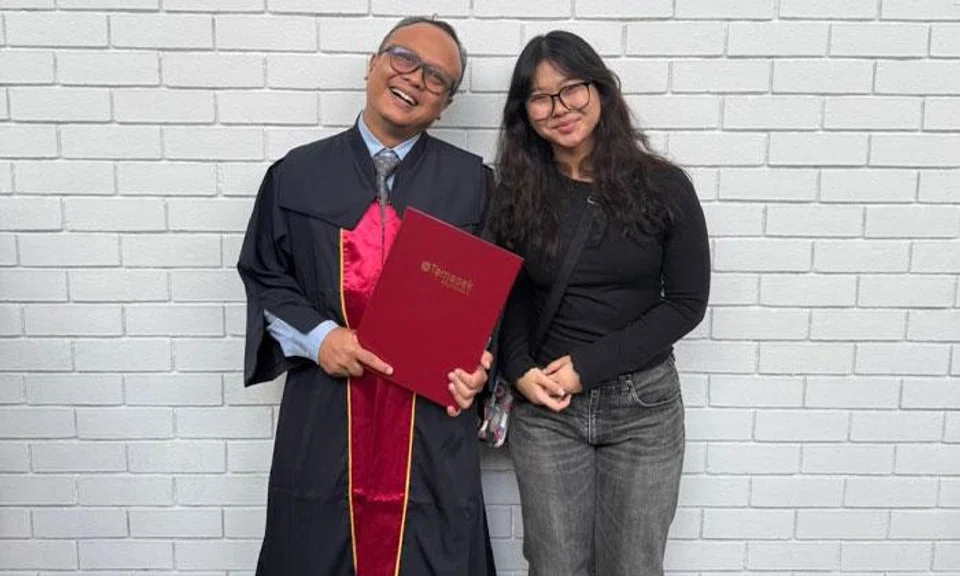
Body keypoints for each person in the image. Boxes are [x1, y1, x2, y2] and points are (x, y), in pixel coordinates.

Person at [237, 16, 497, 576]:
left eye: (437, 78)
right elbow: (264, 275)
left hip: (430, 425)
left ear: (446, 104)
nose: (415, 80)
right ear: (372, 66)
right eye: (404, 59)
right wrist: (319, 336)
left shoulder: (474, 184)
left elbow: (493, 305)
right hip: (327, 412)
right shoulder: (296, 174)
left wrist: (481, 369)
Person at [487, 31, 710, 576]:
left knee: (633, 566)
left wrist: (588, 368)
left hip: (643, 408)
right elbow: (507, 293)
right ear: (525, 113)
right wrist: (519, 371)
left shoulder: (665, 186)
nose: (560, 108)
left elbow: (685, 303)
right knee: (554, 565)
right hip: (546, 413)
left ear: (601, 90)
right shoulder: (516, 191)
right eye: (541, 97)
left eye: (572, 89)